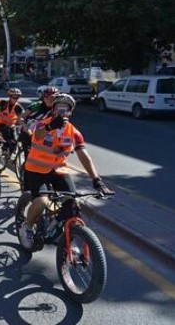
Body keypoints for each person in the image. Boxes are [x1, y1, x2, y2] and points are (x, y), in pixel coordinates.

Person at [19, 94, 114, 249]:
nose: (62, 111)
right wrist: (51, 126)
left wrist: (97, 180)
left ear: (70, 112)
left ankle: (70, 237)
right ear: (53, 110)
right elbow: (37, 135)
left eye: (66, 108)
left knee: (72, 204)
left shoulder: (73, 132)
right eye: (58, 107)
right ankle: (27, 227)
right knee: (42, 201)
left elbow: (84, 155)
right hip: (36, 170)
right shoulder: (43, 124)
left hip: (59, 171)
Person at [19, 86, 59, 156]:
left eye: (53, 98)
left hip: (44, 134)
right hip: (28, 132)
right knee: (30, 155)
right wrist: (25, 127)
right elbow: (21, 117)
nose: (49, 100)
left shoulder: (57, 109)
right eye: (47, 97)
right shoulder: (36, 105)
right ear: (43, 98)